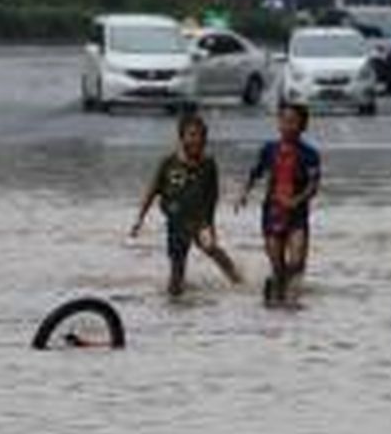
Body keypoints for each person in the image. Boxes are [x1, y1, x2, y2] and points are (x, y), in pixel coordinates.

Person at [130, 110, 242, 296]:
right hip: (176, 223)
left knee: (211, 248)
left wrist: (210, 225)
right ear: (181, 137)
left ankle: (238, 280)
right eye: (192, 135)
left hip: (199, 221)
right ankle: (177, 305)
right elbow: (151, 192)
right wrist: (139, 219)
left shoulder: (208, 164)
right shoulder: (168, 162)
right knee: (176, 274)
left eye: (201, 136)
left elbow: (212, 197)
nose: (197, 140)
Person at [237, 103, 321, 306]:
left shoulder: (310, 154)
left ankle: (290, 298)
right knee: (276, 264)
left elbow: (313, 186)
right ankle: (276, 296)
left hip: (297, 214)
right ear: (278, 124)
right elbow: (256, 173)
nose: (288, 126)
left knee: (297, 260)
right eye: (284, 121)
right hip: (272, 213)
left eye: (293, 122)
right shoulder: (269, 150)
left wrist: (296, 201)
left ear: (303, 126)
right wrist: (244, 193)